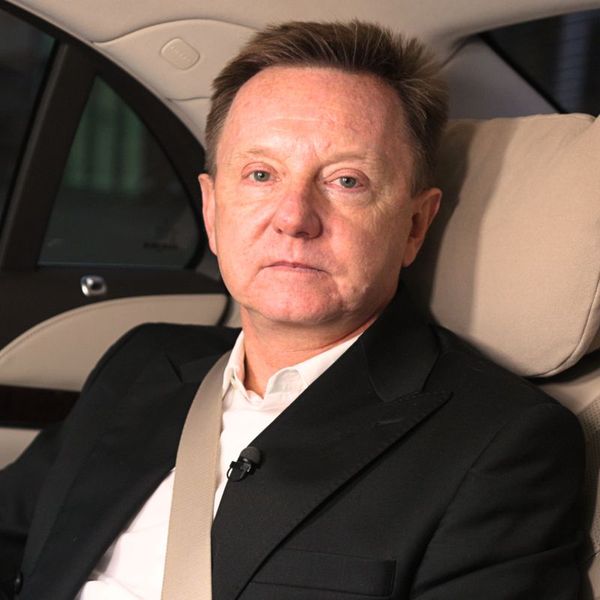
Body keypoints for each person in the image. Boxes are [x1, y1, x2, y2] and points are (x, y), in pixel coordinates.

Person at [0, 20, 584, 600]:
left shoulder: (501, 444)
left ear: (414, 225)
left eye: (347, 181)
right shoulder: (144, 359)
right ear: (211, 210)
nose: (294, 217)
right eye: (261, 174)